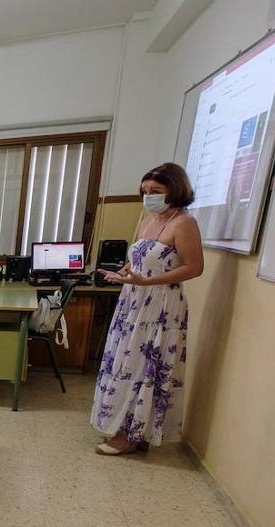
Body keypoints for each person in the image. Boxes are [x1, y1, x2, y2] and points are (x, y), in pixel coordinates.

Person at [91, 162, 204, 455]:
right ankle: (126, 428)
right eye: (145, 191)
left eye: (156, 191)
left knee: (145, 366)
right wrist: (124, 273)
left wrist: (148, 281)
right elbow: (140, 257)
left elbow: (194, 267)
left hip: (160, 307)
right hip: (134, 301)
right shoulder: (149, 218)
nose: (148, 196)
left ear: (175, 190)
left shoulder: (184, 223)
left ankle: (131, 435)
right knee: (124, 362)